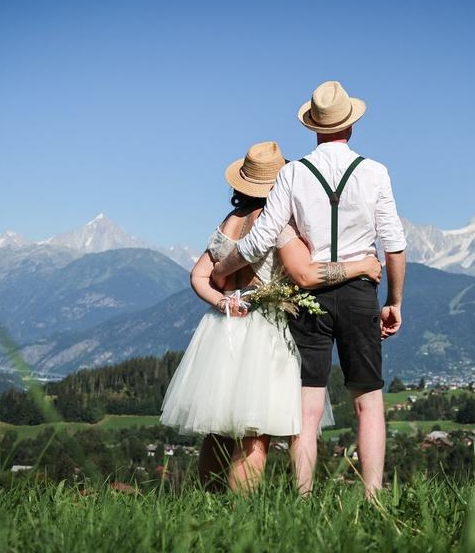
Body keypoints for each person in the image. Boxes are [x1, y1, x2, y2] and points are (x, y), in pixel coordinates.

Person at [212, 81, 407, 497]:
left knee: (308, 409)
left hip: (309, 298)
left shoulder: (294, 173)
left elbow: (262, 237)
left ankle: (303, 498)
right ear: (351, 127)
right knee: (368, 402)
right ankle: (372, 497)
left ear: (314, 128)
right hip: (359, 292)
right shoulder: (375, 173)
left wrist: (222, 268)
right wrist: (394, 301)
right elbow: (394, 245)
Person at [160, 140, 382, 493]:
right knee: (254, 434)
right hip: (264, 331)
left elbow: (198, 276)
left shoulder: (231, 221)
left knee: (219, 427)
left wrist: (223, 302)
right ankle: (240, 515)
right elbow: (306, 274)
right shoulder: (280, 224)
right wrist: (362, 265)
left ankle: (206, 502)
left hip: (224, 331)